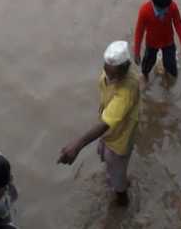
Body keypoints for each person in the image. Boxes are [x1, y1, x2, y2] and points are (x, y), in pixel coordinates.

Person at [58, 40, 140, 207]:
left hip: (120, 139)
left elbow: (105, 124)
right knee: (108, 161)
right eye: (106, 71)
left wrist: (77, 145)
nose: (109, 77)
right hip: (108, 132)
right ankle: (119, 178)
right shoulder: (109, 74)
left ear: (125, 68)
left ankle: (122, 201)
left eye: (113, 74)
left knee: (117, 177)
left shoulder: (126, 91)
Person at [134, 0, 181, 84]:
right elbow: (139, 32)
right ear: (152, 2)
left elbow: (178, 24)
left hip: (168, 42)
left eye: (166, 8)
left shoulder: (172, 6)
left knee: (171, 67)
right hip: (151, 43)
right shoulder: (144, 11)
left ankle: (169, 79)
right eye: (161, 9)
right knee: (147, 64)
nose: (165, 11)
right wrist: (136, 52)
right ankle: (145, 75)